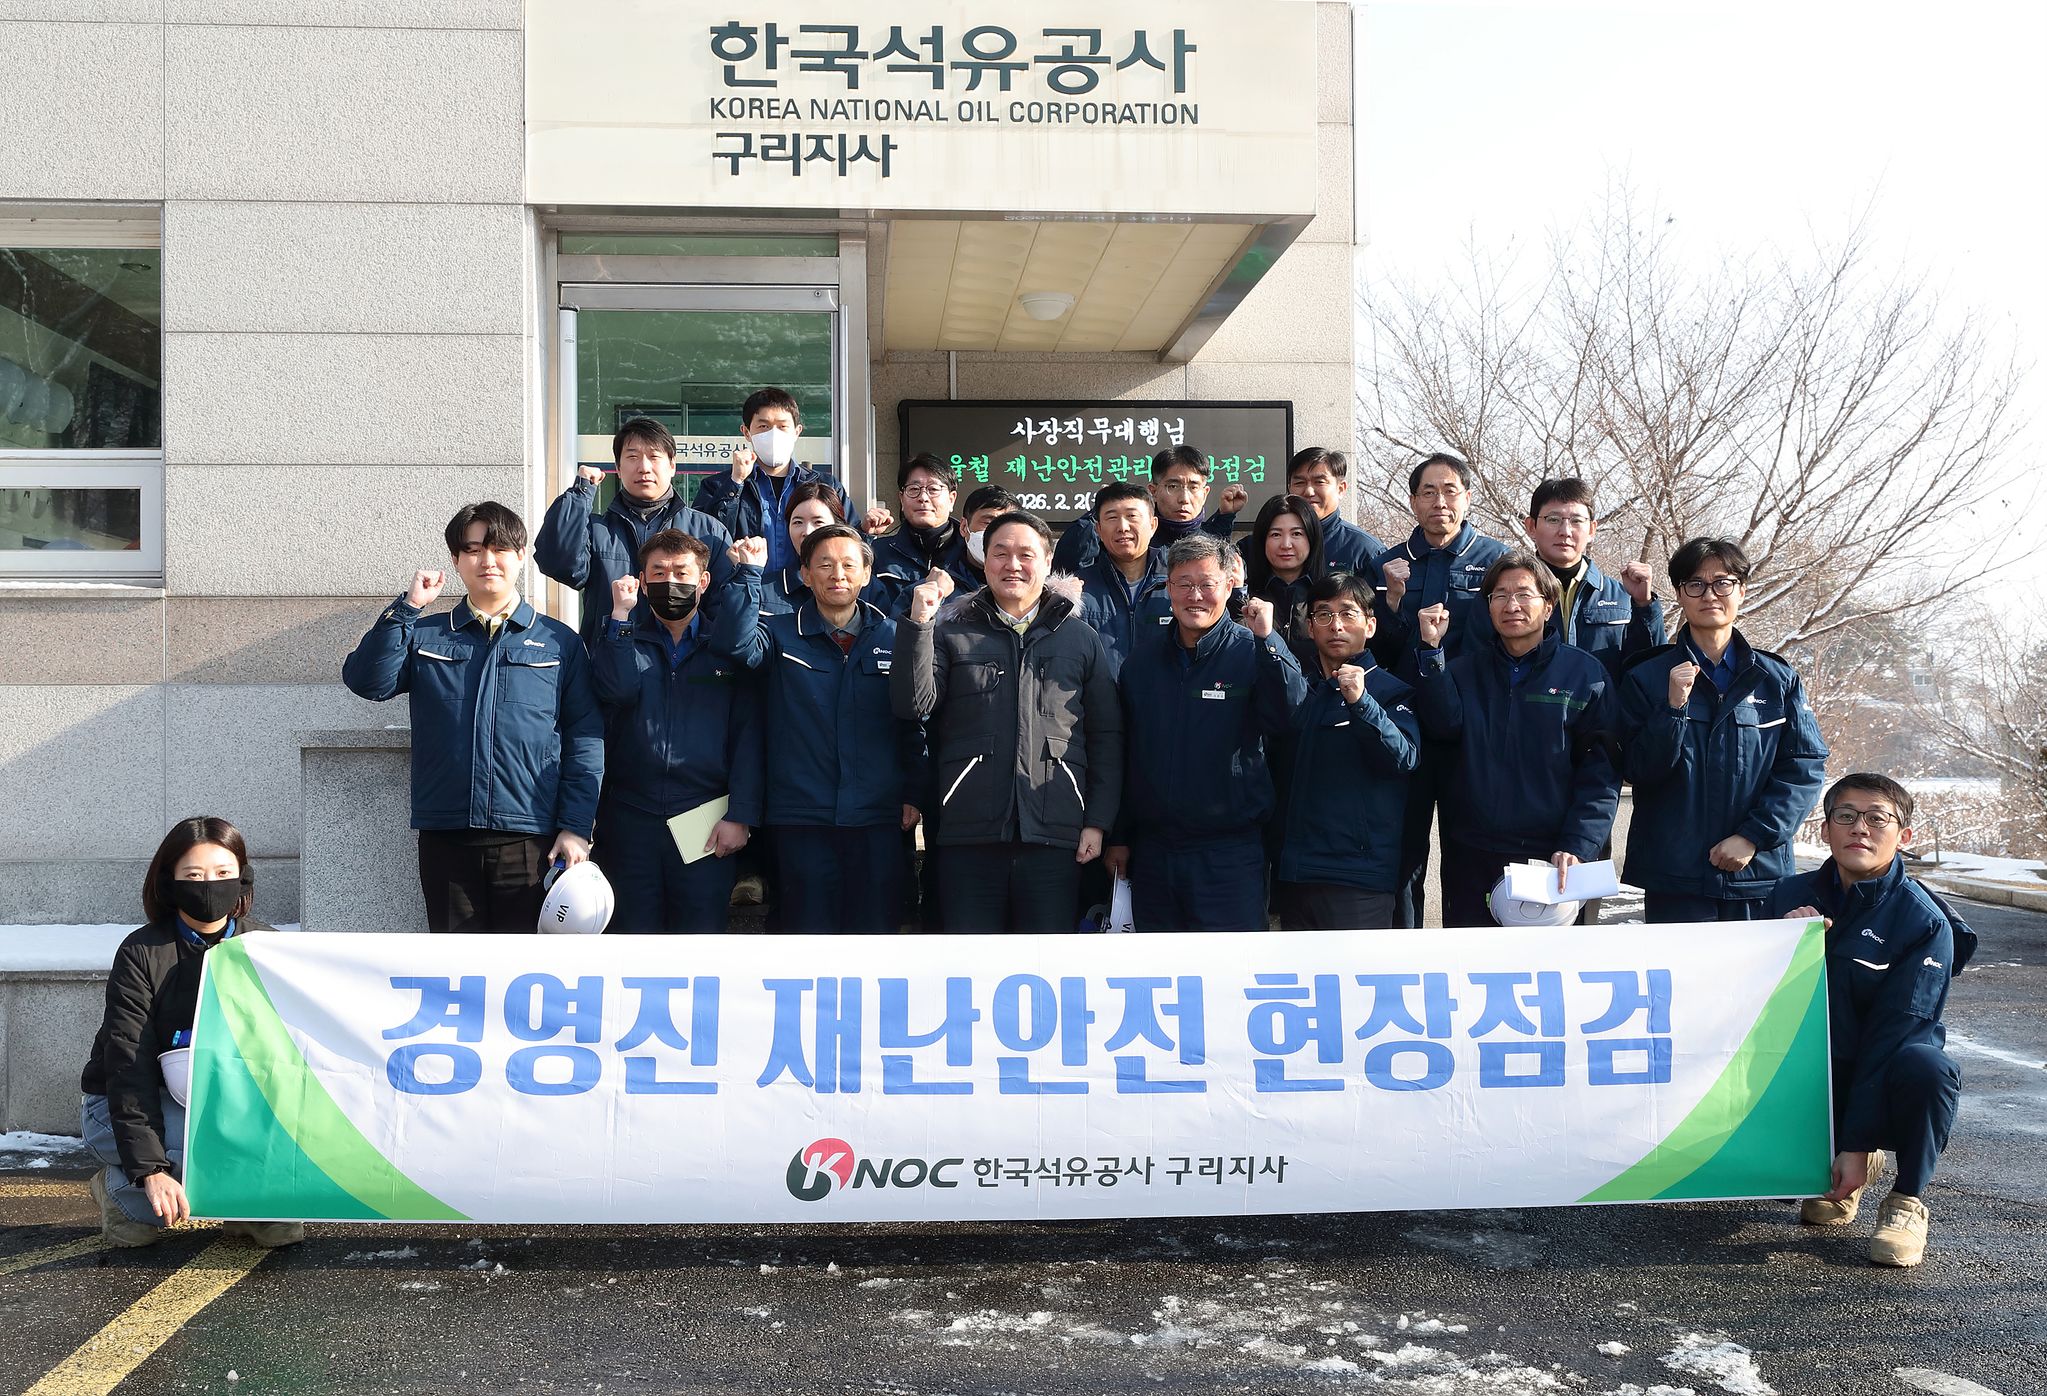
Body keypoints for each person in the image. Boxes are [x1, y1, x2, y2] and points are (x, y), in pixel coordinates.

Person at [344, 502, 602, 932]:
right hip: (447, 835)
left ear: (521, 556)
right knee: (454, 972)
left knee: (522, 972)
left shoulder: (560, 642)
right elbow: (367, 681)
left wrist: (576, 827)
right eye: (473, 549)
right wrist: (407, 609)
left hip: (531, 838)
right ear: (456, 561)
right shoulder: (426, 634)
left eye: (500, 548)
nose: (487, 560)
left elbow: (585, 738)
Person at [1767, 774, 1975, 1268]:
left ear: (1903, 836)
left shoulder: (1924, 922)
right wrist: (1781, 945)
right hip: (1817, 1060)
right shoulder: (1786, 896)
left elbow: (1893, 1034)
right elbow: (1749, 1000)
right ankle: (1834, 1165)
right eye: (1846, 816)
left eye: (1877, 818)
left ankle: (1905, 1198)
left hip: (1884, 1065)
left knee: (1928, 1069)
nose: (1859, 828)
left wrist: (1856, 1144)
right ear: (1824, 830)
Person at [892, 511, 1122, 933]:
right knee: (971, 965)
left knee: (1047, 967)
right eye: (1000, 553)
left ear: (1048, 562)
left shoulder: (1079, 638)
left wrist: (1097, 822)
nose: (1012, 565)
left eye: (1025, 554)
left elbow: (1104, 736)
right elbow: (913, 703)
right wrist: (919, 622)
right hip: (969, 834)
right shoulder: (951, 630)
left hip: (1055, 834)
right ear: (984, 559)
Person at [79, 818, 302, 1248]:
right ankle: (124, 1192)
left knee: (277, 1217)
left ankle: (243, 1206)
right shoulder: (142, 952)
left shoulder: (268, 949)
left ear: (243, 879)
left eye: (223, 874)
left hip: (225, 1096)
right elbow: (129, 1065)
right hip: (124, 1102)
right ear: (170, 882)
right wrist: (150, 1169)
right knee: (201, 1150)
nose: (209, 886)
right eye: (194, 876)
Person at [726, 522, 923, 933]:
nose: (838, 575)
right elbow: (736, 646)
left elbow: (911, 723)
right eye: (825, 565)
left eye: (850, 565)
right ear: (805, 574)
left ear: (867, 574)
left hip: (877, 820)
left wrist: (913, 793)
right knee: (804, 941)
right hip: (801, 820)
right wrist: (748, 575)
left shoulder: (893, 636)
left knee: (877, 938)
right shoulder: (779, 635)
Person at [1618, 538, 1828, 922]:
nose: (1710, 594)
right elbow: (1636, 769)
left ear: (1741, 590)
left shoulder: (1776, 679)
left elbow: (1804, 768)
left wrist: (1753, 836)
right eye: (1695, 584)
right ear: (1680, 594)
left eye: (1723, 583)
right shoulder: (1647, 677)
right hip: (1675, 877)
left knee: (1758, 984)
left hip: (1757, 874)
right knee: (1683, 982)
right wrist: (1672, 710)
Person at [1109, 533, 1307, 932]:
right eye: (1183, 584)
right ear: (1168, 588)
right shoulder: (1141, 664)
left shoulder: (1252, 651)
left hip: (1229, 852)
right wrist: (1120, 835)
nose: (1194, 595)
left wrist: (1270, 642)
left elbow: (1291, 714)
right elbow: (1125, 752)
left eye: (1206, 584)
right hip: (1154, 852)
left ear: (1229, 585)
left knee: (1231, 979)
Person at [1413, 549, 1619, 928]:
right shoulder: (1462, 671)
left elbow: (1601, 774)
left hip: (1552, 858)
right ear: (1488, 607)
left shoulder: (1585, 675)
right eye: (1500, 596)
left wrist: (1578, 845)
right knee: (1472, 973)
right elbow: (1443, 726)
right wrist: (1431, 653)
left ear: (1549, 603)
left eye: (1524, 594)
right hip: (1471, 856)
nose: (1512, 605)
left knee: (1552, 977)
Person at [591, 530, 763, 933]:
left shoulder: (725, 647)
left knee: (699, 945)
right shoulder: (621, 637)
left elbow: (748, 738)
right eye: (660, 572)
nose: (671, 582)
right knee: (631, 940)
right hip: (631, 819)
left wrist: (741, 814)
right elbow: (616, 690)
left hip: (705, 820)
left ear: (703, 582)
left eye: (682, 573)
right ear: (643, 580)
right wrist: (620, 618)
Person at [1373, 452, 1510, 927]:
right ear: (1413, 501)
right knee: (1404, 852)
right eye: (1428, 492)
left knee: (1469, 849)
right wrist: (1390, 602)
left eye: (1450, 490)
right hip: (1407, 727)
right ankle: (1405, 954)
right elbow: (1377, 648)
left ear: (1467, 498)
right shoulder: (1387, 562)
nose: (1440, 502)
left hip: (1470, 728)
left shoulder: (1496, 561)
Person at [1270, 573, 1419, 930]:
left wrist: (1361, 702)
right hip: (1296, 875)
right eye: (1324, 615)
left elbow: (1404, 759)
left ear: (1370, 625)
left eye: (1348, 614)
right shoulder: (1302, 691)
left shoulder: (1391, 692)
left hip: (1359, 879)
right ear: (1309, 627)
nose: (1335, 625)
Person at [535, 416, 735, 644]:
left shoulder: (708, 531)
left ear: (672, 466)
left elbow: (724, 604)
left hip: (685, 664)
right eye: (632, 457)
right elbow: (558, 563)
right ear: (618, 469)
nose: (644, 467)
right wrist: (580, 494)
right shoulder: (596, 530)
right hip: (609, 663)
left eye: (654, 457)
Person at [690, 386, 883, 561]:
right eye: (763, 426)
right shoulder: (717, 486)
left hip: (809, 592)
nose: (773, 434)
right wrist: (736, 482)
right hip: (745, 591)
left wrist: (865, 531)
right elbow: (705, 541)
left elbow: (847, 541)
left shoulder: (825, 485)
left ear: (797, 432)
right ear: (746, 432)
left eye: (782, 426)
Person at [1520, 478, 1662, 679]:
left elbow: (1651, 668)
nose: (1565, 532)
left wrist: (1644, 606)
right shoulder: (1509, 595)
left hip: (1602, 709)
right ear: (1531, 526)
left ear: (1592, 529)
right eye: (1553, 519)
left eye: (1577, 521)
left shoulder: (1622, 597)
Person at [1050, 445, 1248, 574]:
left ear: (1205, 493)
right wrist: (1101, 509)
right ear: (1153, 491)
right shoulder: (1132, 540)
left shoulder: (1215, 539)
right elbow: (1069, 566)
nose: (1184, 498)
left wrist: (1224, 518)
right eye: (1173, 486)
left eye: (1193, 487)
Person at [1071, 480, 1171, 677]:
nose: (1123, 527)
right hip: (1100, 705)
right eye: (1112, 517)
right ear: (1098, 530)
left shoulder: (1179, 585)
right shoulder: (1078, 590)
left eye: (1132, 516)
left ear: (1153, 525)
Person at [865, 453, 980, 617]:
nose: (923, 497)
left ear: (952, 499)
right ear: (901, 499)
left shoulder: (973, 553)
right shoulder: (878, 553)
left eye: (933, 489)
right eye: (913, 489)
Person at [1243, 493, 1328, 667]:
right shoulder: (1245, 596)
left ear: (1312, 538)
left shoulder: (1330, 596)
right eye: (1275, 535)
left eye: (1296, 534)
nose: (1286, 544)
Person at [1285, 447, 1385, 578]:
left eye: (1319, 482)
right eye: (1299, 483)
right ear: (1289, 489)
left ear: (1341, 489)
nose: (1309, 491)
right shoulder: (1265, 544)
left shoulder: (1366, 550)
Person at [753, 480, 847, 618]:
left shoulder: (859, 585)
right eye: (798, 522)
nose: (807, 531)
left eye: (818, 522)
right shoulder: (764, 591)